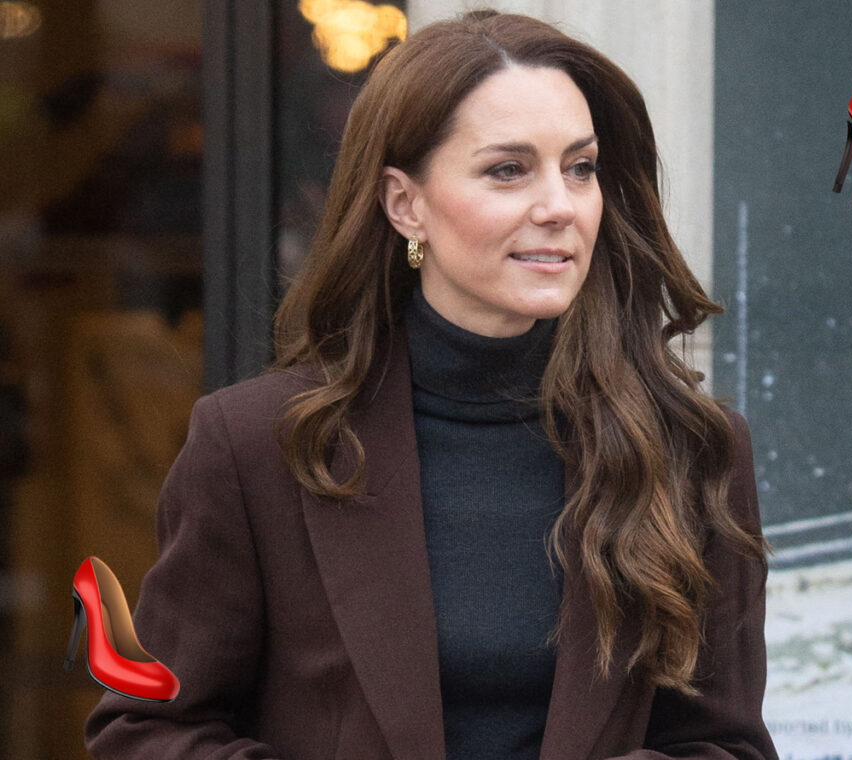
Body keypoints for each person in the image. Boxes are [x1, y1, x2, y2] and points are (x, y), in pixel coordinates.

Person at [84, 9, 777, 760]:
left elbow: (725, 746)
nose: (560, 206)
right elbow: (146, 729)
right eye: (508, 170)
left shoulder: (690, 448)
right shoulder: (257, 447)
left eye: (580, 167)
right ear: (404, 203)